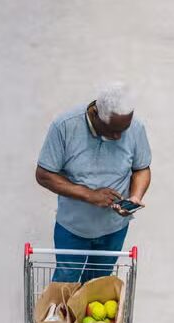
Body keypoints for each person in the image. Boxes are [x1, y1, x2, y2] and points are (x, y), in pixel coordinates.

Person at [35, 82, 152, 283]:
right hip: (73, 228)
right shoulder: (65, 126)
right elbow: (44, 174)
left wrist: (135, 197)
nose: (118, 137)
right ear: (96, 114)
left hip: (114, 229)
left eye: (123, 130)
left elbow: (141, 168)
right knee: (65, 283)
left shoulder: (135, 128)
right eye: (113, 130)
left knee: (97, 286)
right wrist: (89, 195)